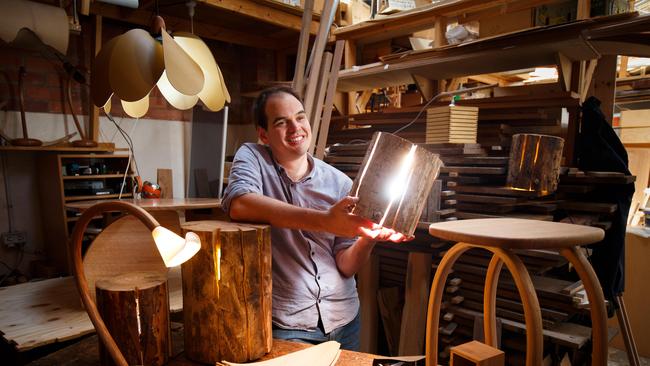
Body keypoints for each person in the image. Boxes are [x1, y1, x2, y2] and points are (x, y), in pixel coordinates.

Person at [221, 86, 410, 351]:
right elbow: (239, 203)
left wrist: (369, 237)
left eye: (300, 117)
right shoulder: (253, 157)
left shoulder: (339, 183)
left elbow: (345, 265)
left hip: (345, 318)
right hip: (289, 323)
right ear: (263, 134)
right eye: (281, 122)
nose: (295, 127)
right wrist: (325, 220)